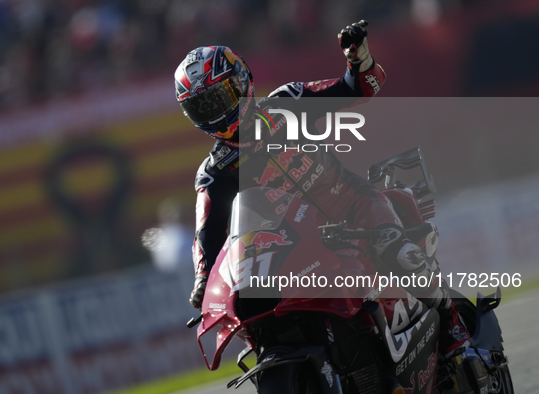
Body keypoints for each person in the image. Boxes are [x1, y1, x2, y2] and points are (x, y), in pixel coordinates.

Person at [174, 21, 470, 359]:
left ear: (241, 81)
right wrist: (203, 283)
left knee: (398, 251)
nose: (215, 112)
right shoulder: (214, 173)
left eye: (219, 98)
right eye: (203, 107)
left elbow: (359, 89)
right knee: (256, 314)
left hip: (352, 205)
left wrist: (359, 63)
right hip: (294, 246)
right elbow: (207, 236)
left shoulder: (288, 101)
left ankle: (452, 323)